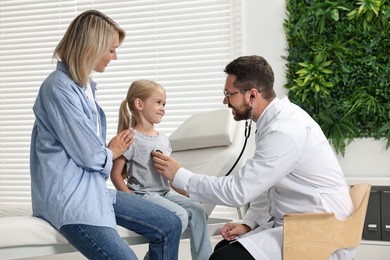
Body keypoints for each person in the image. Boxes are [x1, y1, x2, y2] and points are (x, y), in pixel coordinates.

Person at [152, 55, 355, 260]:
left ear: (252, 95)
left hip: (318, 230)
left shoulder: (284, 131)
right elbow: (265, 185)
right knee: (223, 247)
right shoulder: (274, 122)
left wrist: (180, 175)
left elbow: (238, 191)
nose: (225, 101)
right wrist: (249, 223)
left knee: (224, 259)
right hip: (299, 222)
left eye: (228, 94)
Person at [30, 10, 181, 260]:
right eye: (111, 49)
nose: (115, 56)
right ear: (92, 46)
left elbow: (93, 155)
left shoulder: (85, 87)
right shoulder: (58, 88)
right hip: (71, 199)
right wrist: (112, 151)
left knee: (170, 225)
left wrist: (107, 153)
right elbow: (91, 156)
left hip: (94, 191)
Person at [111, 79, 213, 260]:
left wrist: (191, 194)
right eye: (158, 103)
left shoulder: (163, 139)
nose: (163, 108)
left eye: (164, 104)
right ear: (139, 104)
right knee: (180, 216)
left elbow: (170, 177)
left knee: (198, 211)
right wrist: (132, 201)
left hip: (165, 193)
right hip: (143, 196)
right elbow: (115, 174)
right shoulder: (129, 138)